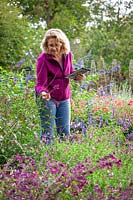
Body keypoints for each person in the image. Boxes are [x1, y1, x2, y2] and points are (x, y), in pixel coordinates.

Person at [35, 28, 84, 144]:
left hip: (64, 98)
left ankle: (63, 160)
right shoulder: (43, 59)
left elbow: (69, 72)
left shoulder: (68, 55)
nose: (54, 48)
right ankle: (46, 159)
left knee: (65, 132)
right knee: (48, 133)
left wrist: (76, 76)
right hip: (48, 98)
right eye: (50, 45)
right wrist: (43, 93)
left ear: (62, 44)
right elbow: (40, 83)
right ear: (46, 45)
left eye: (56, 45)